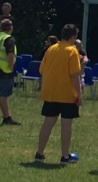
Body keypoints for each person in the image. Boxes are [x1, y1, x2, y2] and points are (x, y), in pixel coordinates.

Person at [35, 23, 83, 164]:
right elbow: (75, 75)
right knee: (66, 124)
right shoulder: (72, 51)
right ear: (73, 37)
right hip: (67, 94)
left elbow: (41, 70)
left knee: (48, 123)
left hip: (50, 92)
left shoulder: (51, 49)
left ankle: (39, 153)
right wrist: (79, 95)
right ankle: (65, 156)